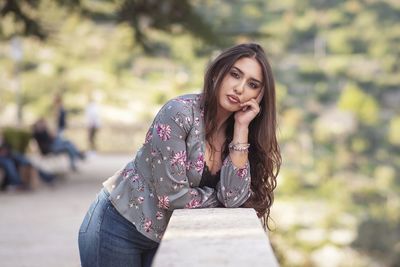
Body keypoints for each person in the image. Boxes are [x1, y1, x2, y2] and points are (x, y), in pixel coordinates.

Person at [78, 43, 281, 267]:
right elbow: (172, 197)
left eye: (252, 85)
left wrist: (242, 128)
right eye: (235, 75)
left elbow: (233, 198)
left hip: (164, 236)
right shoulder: (178, 113)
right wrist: (217, 197)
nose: (240, 88)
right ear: (218, 72)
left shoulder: (239, 132)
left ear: (259, 96)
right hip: (117, 226)